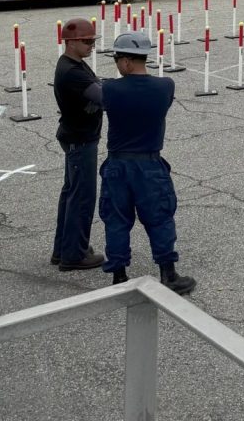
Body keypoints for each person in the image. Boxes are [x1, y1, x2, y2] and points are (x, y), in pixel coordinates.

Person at [94, 31, 196, 294]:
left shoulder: (110, 89)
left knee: (116, 220)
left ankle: (118, 275)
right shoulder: (165, 86)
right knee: (160, 217)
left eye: (117, 59)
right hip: (150, 164)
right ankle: (168, 272)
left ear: (126, 61)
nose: (117, 65)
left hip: (118, 165)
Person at [51, 18, 105, 271]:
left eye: (93, 41)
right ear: (70, 42)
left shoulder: (74, 64)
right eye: (87, 41)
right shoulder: (72, 72)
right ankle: (74, 254)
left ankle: (65, 248)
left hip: (76, 136)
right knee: (81, 197)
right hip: (80, 139)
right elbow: (102, 96)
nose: (91, 45)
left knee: (71, 194)